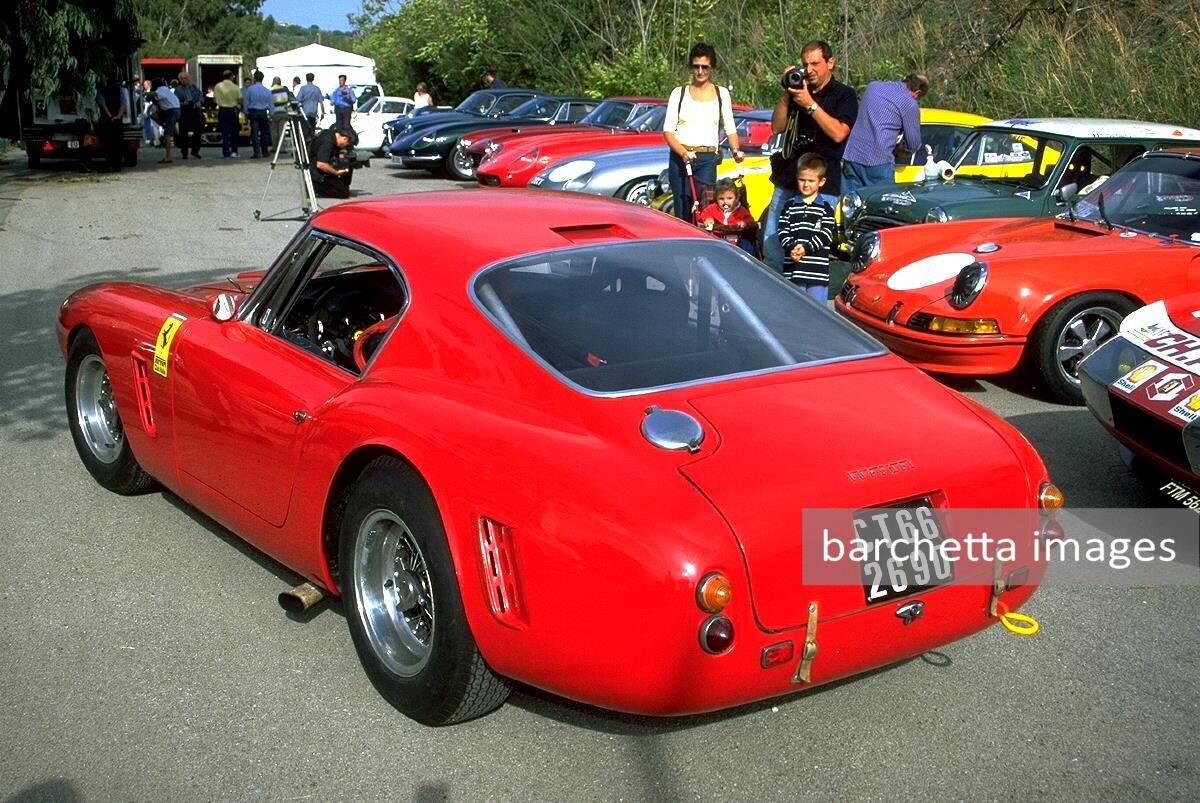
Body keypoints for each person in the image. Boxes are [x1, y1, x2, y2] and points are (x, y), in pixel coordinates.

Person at [764, 40, 857, 270]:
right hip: (789, 177)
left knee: (810, 253)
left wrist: (810, 104)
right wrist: (789, 92)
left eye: (815, 63)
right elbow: (777, 127)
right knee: (774, 245)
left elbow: (838, 133)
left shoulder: (844, 95)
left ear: (830, 63)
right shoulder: (797, 90)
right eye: (805, 65)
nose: (810, 70)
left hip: (823, 185)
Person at [662, 42, 743, 221]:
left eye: (705, 67)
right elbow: (668, 131)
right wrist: (683, 153)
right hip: (681, 156)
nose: (700, 71)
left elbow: (730, 127)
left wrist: (736, 150)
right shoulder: (679, 93)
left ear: (712, 67)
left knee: (705, 210)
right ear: (691, 68)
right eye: (696, 67)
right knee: (682, 208)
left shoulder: (721, 94)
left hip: (707, 159)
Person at [841, 73, 929, 194]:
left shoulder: (873, 87)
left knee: (850, 205)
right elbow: (913, 144)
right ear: (917, 92)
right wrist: (898, 151)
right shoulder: (909, 104)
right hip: (879, 161)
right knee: (880, 208)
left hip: (852, 155)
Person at [778, 153, 837, 301]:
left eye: (811, 180)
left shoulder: (825, 208)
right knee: (795, 310)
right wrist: (792, 247)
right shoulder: (789, 205)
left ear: (821, 181)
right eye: (802, 180)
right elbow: (782, 231)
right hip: (793, 271)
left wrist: (806, 248)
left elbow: (826, 234)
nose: (806, 184)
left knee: (817, 314)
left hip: (817, 274)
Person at [698, 178, 757, 255]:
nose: (725, 202)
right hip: (718, 240)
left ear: (736, 198)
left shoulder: (741, 210)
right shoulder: (713, 208)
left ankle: (746, 259)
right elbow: (704, 214)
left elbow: (750, 221)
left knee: (747, 242)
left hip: (737, 240)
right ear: (716, 199)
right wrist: (708, 218)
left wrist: (745, 223)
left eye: (729, 198)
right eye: (721, 199)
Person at [310, 126, 358, 198]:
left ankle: (341, 185)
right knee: (343, 193)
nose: (345, 147)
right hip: (317, 174)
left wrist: (342, 158)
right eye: (347, 145)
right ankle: (315, 189)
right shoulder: (327, 142)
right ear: (345, 138)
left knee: (348, 163)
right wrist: (336, 172)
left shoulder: (331, 134)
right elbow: (321, 164)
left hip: (322, 169)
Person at [96, 80, 126, 172]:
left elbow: (102, 104)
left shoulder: (101, 90)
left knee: (107, 143)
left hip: (107, 121)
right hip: (118, 121)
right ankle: (117, 165)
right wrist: (118, 116)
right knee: (118, 142)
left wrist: (110, 116)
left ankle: (109, 165)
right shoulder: (119, 90)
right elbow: (123, 104)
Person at [174, 70, 204, 159]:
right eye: (181, 79)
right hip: (184, 112)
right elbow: (175, 102)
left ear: (189, 79)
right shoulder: (178, 90)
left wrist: (199, 102)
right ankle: (184, 153)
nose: (183, 80)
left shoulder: (194, 88)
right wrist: (183, 103)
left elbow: (201, 97)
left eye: (185, 78)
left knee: (198, 131)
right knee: (183, 133)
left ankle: (195, 151)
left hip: (194, 111)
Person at [243, 71, 273, 158]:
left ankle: (257, 152)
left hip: (254, 112)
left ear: (254, 78)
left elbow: (246, 102)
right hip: (263, 112)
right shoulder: (266, 90)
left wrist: (246, 112)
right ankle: (265, 151)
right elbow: (271, 104)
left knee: (255, 133)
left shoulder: (250, 89)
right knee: (264, 133)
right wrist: (271, 115)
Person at [213, 69, 242, 157]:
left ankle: (226, 152)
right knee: (234, 132)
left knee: (225, 132)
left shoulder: (218, 86)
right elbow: (240, 99)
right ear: (230, 77)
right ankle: (234, 151)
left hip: (222, 110)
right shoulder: (235, 87)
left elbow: (214, 100)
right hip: (233, 110)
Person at [153, 77, 181, 163]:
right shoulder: (167, 89)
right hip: (174, 111)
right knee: (154, 115)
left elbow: (155, 95)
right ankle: (166, 126)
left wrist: (148, 94)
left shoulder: (160, 90)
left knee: (167, 135)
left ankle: (168, 156)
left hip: (171, 112)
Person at [269, 76, 294, 152]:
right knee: (282, 131)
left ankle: (275, 148)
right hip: (283, 112)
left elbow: (270, 102)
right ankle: (282, 148)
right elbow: (289, 100)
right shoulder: (284, 90)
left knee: (274, 131)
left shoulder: (271, 90)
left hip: (274, 113)